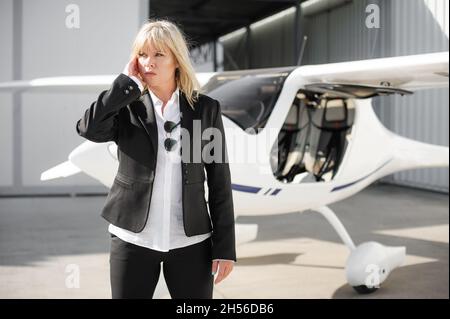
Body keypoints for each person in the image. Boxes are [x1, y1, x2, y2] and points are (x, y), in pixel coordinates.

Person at [76, 19, 236, 299]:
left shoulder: (205, 110)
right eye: (142, 54)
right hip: (132, 239)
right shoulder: (125, 108)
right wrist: (123, 85)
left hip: (192, 241)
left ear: (177, 60)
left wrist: (225, 248)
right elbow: (88, 128)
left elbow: (220, 181)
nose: (149, 62)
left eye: (159, 54)